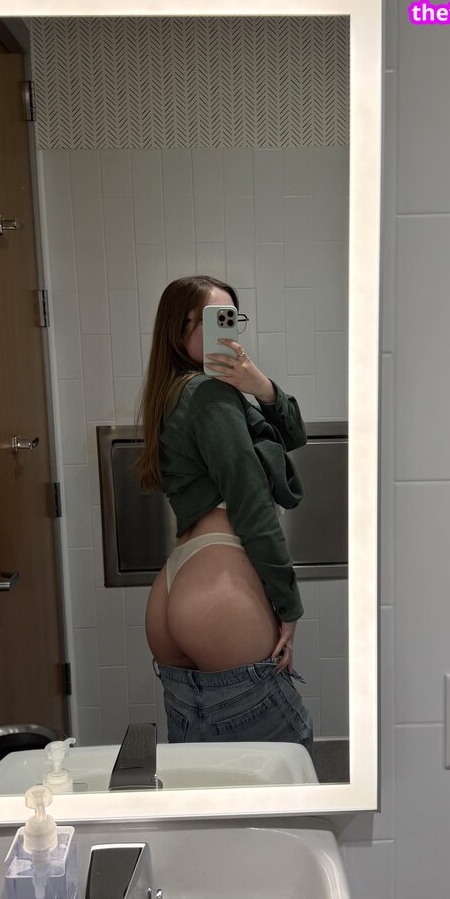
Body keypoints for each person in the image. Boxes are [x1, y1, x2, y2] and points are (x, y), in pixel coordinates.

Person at [136, 275, 312, 751]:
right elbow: (251, 503)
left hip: (178, 583)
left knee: (203, 775)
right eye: (213, 319)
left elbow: (294, 434)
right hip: (220, 593)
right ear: (178, 330)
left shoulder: (174, 392)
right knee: (284, 758)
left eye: (231, 318)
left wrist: (260, 385)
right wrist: (288, 606)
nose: (226, 330)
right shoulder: (209, 396)